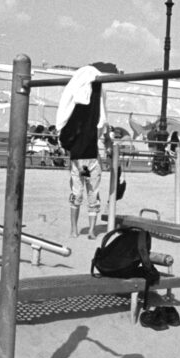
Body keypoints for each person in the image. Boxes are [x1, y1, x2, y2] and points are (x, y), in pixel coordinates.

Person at [56, 62, 115, 239]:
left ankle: (85, 230)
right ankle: (79, 229)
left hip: (85, 160)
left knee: (87, 194)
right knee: (83, 194)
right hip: (85, 160)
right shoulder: (84, 122)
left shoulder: (84, 123)